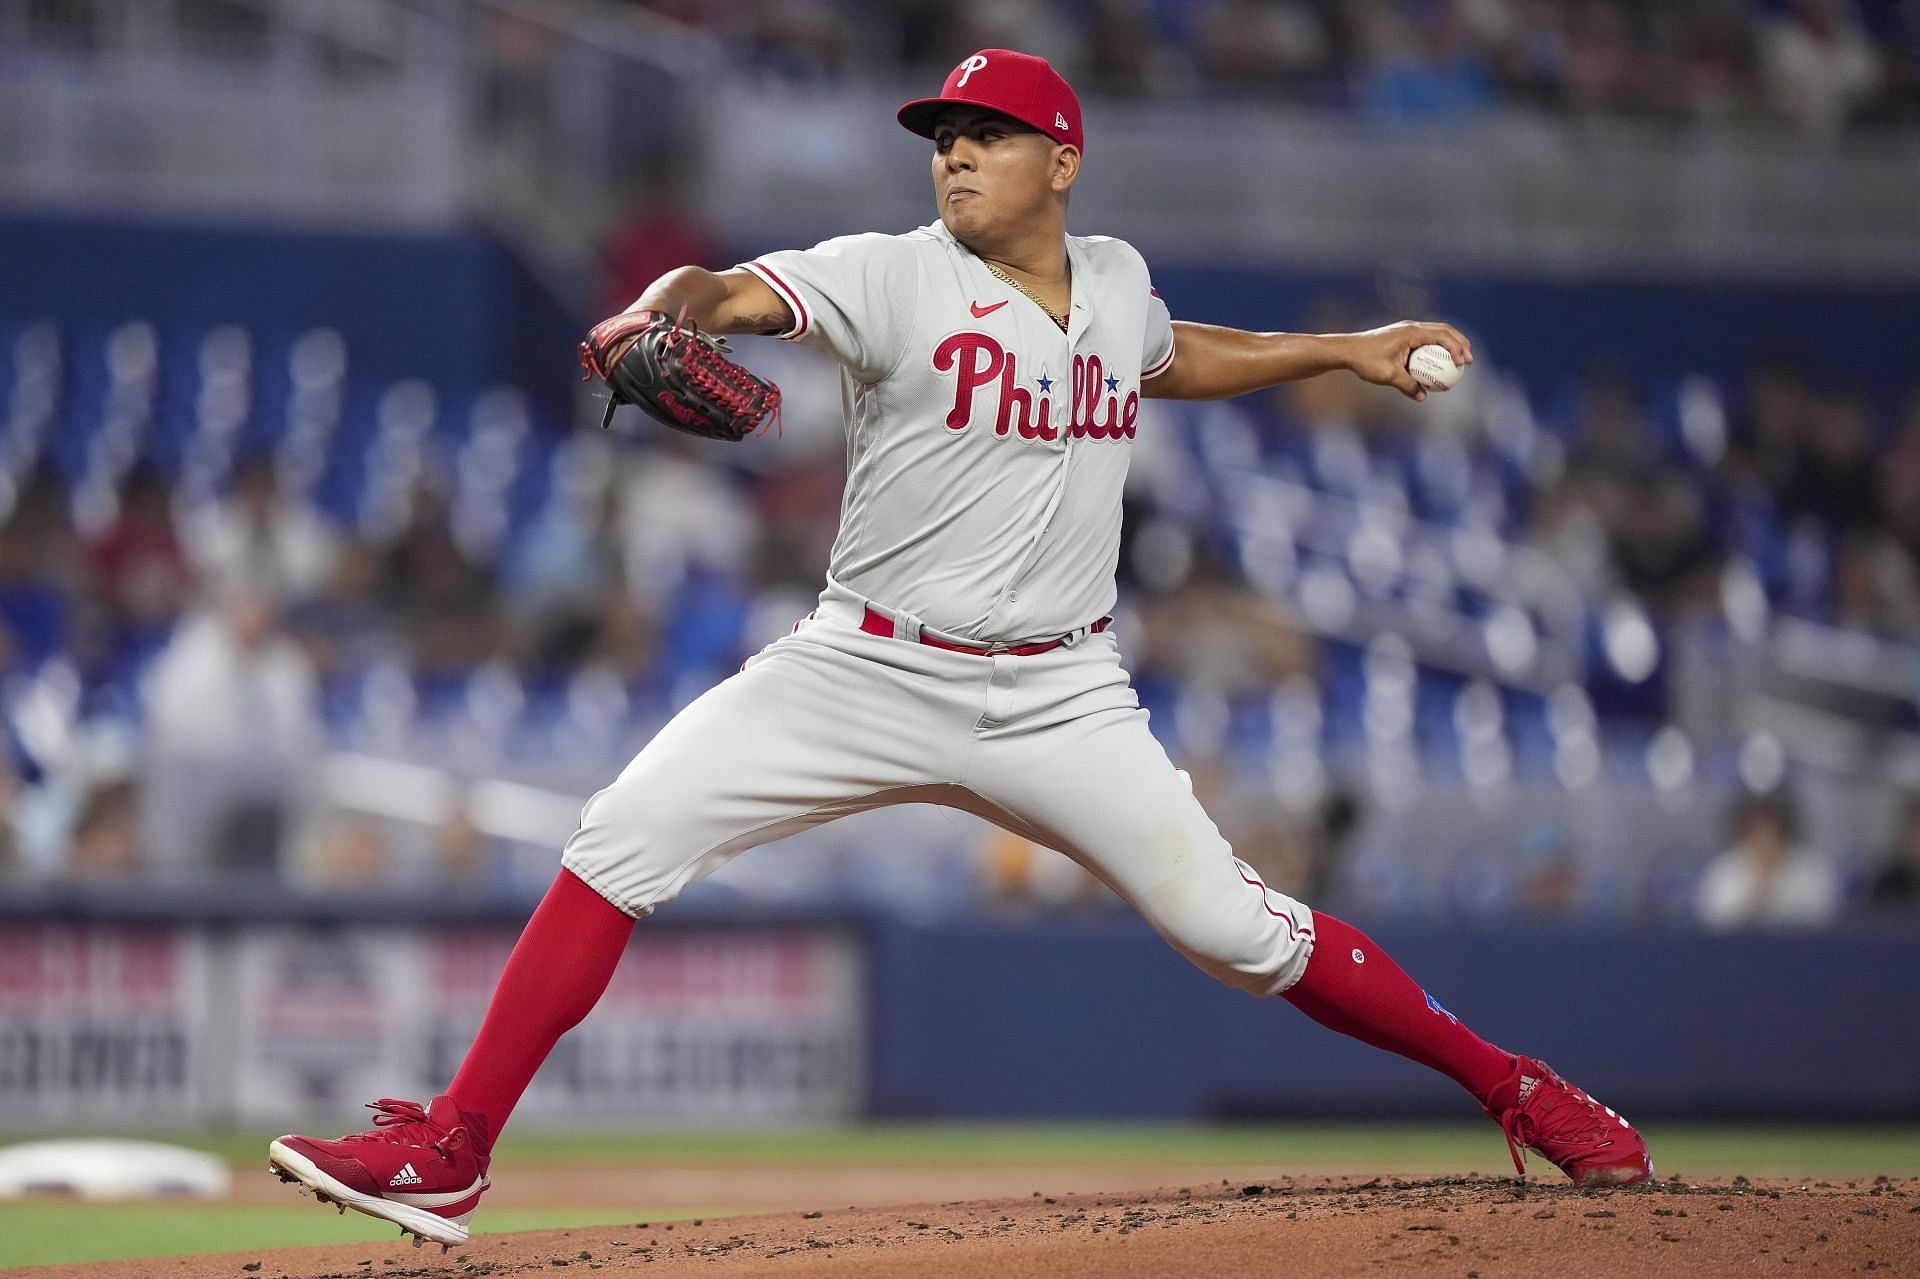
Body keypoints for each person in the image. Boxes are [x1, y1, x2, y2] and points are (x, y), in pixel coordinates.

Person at [268, 50, 1651, 1249]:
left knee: (1238, 929)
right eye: (943, 140)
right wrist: (666, 309)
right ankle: (454, 1147)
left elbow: (1171, 353)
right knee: (621, 829)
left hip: (1061, 692)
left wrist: (1344, 348)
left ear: (1064, 160)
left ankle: (1519, 1087)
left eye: (984, 138)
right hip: (863, 668)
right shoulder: (888, 275)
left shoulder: (1114, 282)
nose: (956, 160)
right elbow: (736, 292)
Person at [1695, 790, 1841, 930]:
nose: (1765, 835)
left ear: (1785, 828)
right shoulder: (1724, 870)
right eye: (1757, 828)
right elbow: (1716, 919)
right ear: (1744, 830)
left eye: (1772, 827)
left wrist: (1775, 884)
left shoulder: (1811, 869)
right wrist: (1758, 890)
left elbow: (1821, 915)